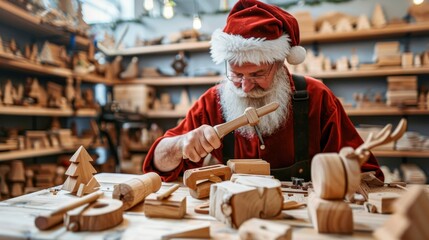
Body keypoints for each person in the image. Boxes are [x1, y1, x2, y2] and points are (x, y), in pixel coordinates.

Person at [142, 0, 383, 182]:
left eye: (257, 74)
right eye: (236, 74)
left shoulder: (317, 99)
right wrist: (181, 143)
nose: (245, 87)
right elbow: (156, 166)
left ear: (280, 65)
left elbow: (368, 175)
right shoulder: (212, 102)